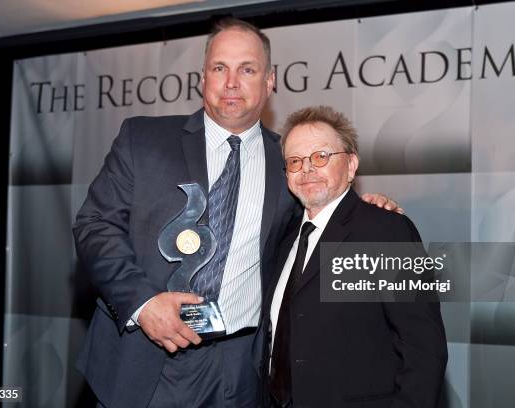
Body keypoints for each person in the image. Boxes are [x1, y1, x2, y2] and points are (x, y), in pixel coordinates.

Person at [73, 19, 400, 408]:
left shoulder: (289, 165)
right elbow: (95, 224)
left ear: (269, 81)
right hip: (143, 355)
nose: (231, 82)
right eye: (219, 68)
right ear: (202, 78)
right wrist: (144, 305)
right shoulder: (142, 140)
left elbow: (322, 218)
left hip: (242, 369)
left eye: (247, 69)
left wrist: (364, 210)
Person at [261, 106, 447, 408]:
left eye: (321, 156)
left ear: (351, 165)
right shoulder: (283, 239)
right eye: (294, 162)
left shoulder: (387, 231)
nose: (307, 169)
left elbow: (424, 348)